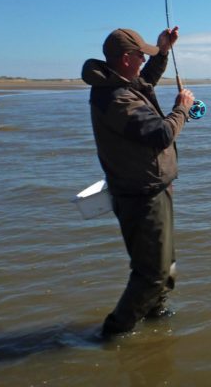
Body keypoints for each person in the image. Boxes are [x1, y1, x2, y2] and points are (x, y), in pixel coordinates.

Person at [81, 26, 195, 337]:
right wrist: (182, 108)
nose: (146, 58)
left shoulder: (123, 85)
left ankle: (156, 314)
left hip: (153, 187)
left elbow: (147, 81)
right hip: (141, 195)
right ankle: (114, 333)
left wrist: (164, 51)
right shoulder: (116, 98)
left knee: (165, 263)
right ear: (127, 58)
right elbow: (161, 133)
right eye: (141, 54)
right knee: (152, 273)